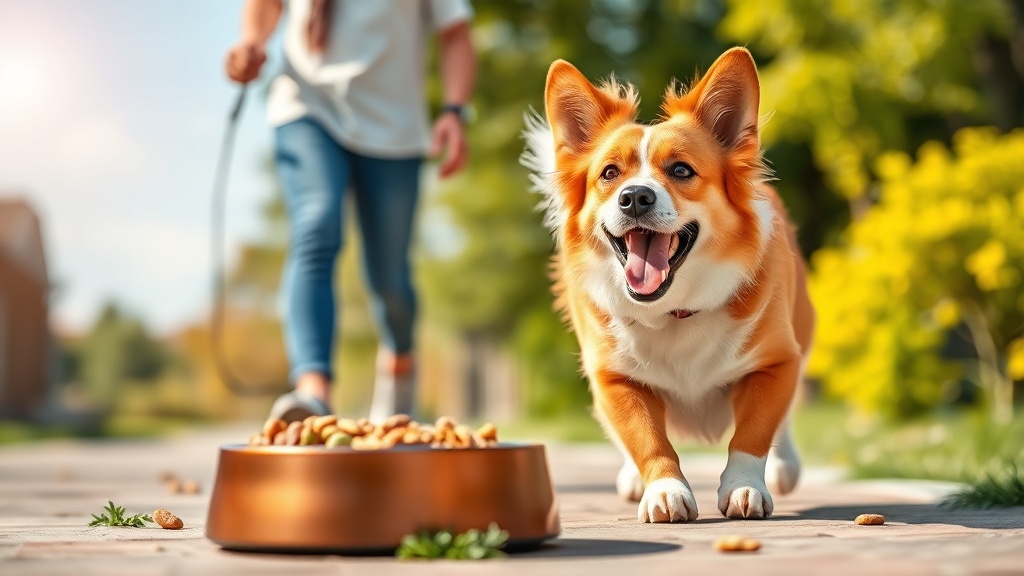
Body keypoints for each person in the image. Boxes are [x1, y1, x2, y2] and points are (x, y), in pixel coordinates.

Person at [225, 0, 475, 423]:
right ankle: (312, 391)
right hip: (306, 107)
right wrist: (252, 40)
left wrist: (454, 110)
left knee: (390, 279)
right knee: (316, 223)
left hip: (395, 128)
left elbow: (456, 34)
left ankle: (399, 362)